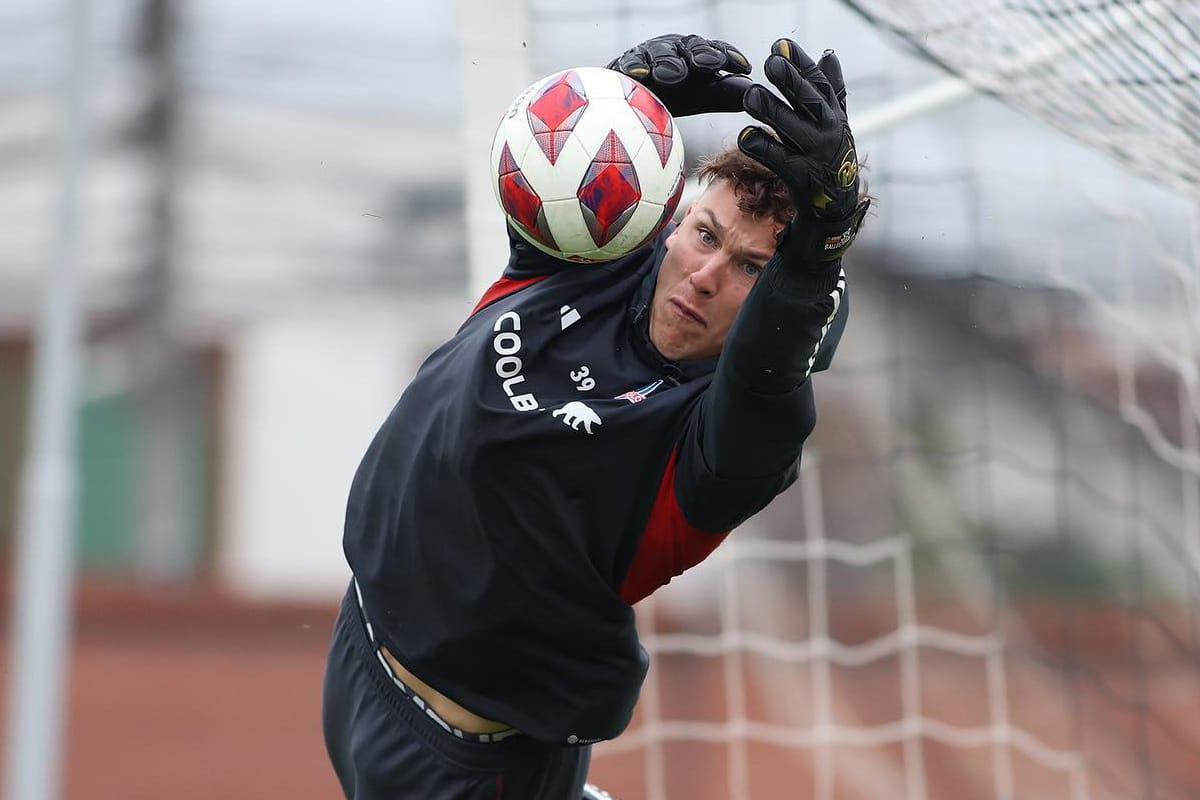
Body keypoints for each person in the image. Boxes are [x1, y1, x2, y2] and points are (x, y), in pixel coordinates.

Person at [321, 33, 870, 800]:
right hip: (357, 658)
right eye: (705, 234)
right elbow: (563, 181)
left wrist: (817, 258)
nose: (707, 273)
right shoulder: (596, 257)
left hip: (465, 770)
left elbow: (768, 368)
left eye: (752, 269)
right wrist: (616, 107)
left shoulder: (725, 440)